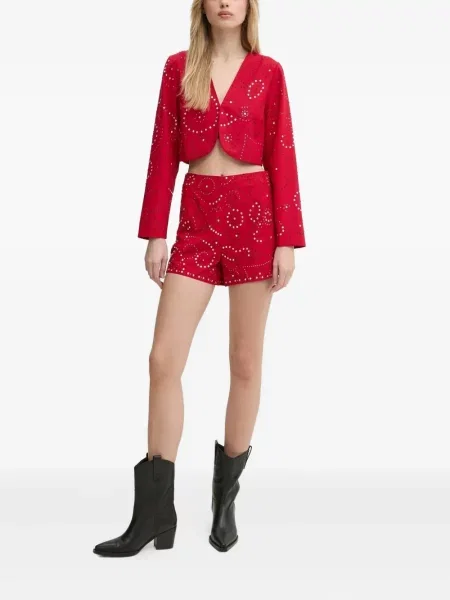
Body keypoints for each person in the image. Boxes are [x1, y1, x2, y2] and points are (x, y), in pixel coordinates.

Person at [93, 0, 306, 557]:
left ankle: (225, 499)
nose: (226, 2)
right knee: (163, 359)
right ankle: (154, 514)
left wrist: (287, 239)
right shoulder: (178, 67)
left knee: (245, 362)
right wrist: (154, 233)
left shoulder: (269, 72)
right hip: (196, 218)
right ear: (202, 5)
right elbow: (162, 151)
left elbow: (283, 152)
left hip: (256, 216)